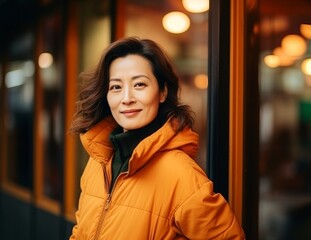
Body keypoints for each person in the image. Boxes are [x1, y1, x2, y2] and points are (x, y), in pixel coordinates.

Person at [69, 37, 246, 239]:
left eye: (139, 85)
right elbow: (80, 232)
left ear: (162, 92)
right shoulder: (98, 161)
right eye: (116, 87)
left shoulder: (181, 175)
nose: (127, 98)